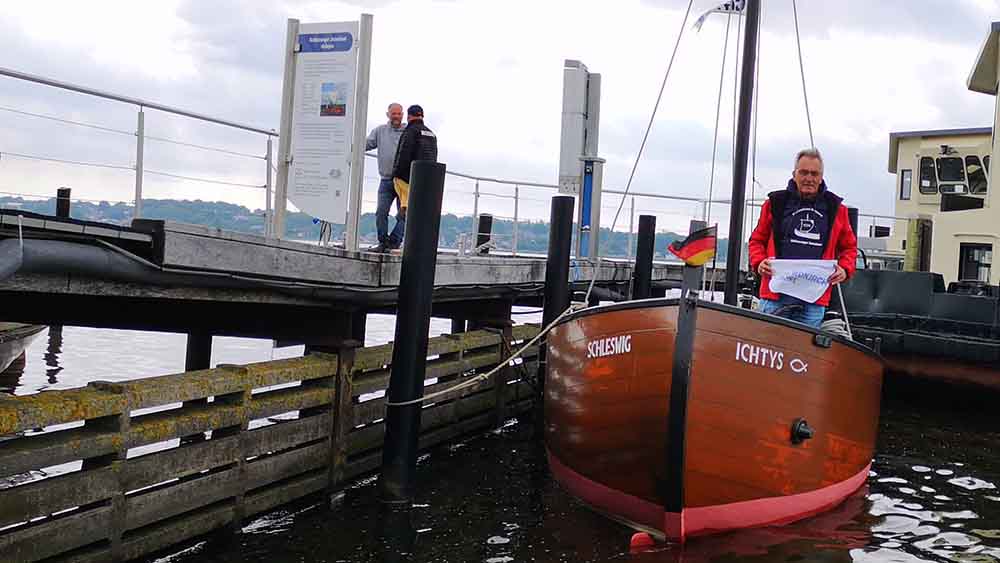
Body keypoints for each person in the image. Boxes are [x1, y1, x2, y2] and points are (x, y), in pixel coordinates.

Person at [748, 148, 858, 328]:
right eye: (804, 172)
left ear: (821, 177)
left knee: (804, 353)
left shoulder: (837, 209)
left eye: (814, 173)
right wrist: (759, 261)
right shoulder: (774, 204)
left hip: (813, 299)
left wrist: (845, 269)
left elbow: (849, 248)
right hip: (775, 294)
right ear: (794, 174)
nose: (809, 178)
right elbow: (756, 240)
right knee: (769, 348)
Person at [366, 103, 406, 253]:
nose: (396, 116)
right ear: (387, 114)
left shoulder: (408, 131)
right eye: (393, 113)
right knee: (381, 212)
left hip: (404, 181)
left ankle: (395, 242)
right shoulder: (380, 131)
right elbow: (367, 144)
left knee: (404, 214)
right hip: (386, 180)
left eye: (398, 114)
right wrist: (346, 144)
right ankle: (383, 242)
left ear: (402, 115)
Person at [391, 105, 438, 226]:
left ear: (409, 116)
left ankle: (403, 211)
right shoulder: (431, 134)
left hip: (407, 177)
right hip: (426, 179)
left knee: (406, 208)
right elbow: (434, 156)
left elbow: (404, 154)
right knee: (417, 212)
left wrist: (396, 173)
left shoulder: (410, 131)